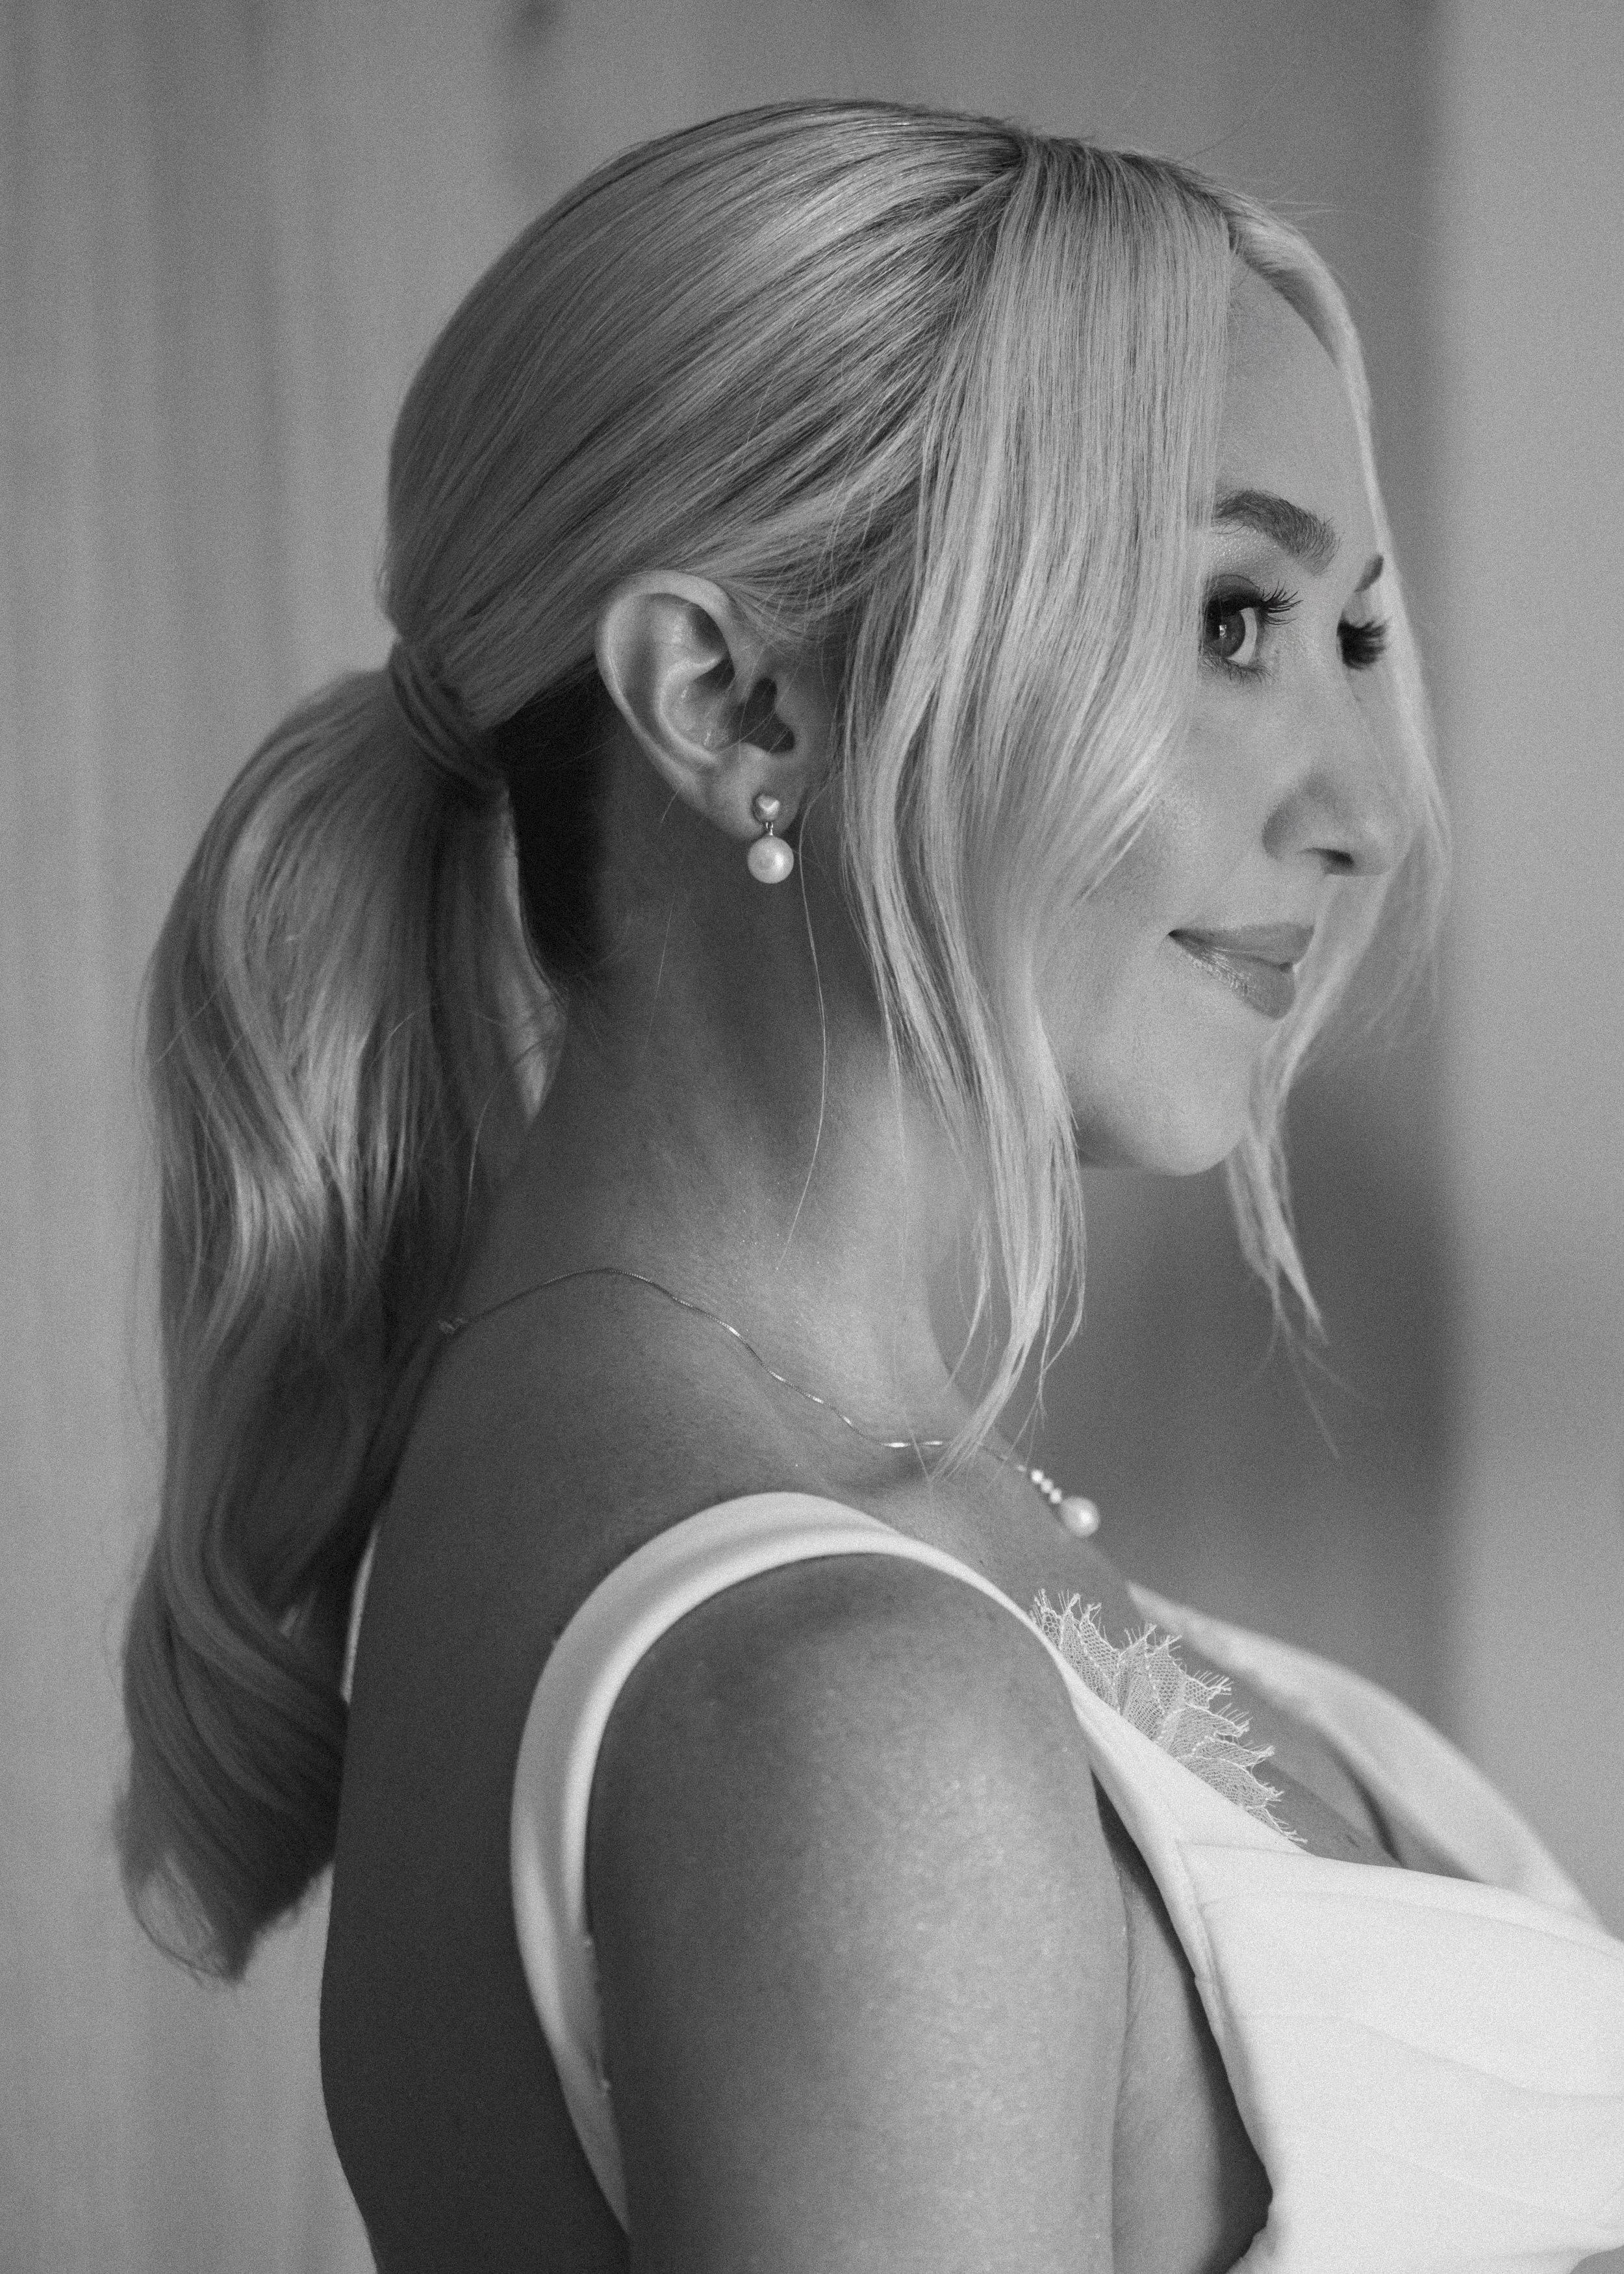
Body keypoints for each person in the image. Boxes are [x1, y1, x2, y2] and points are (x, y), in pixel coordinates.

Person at [118, 98, 1624, 2274]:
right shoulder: (844, 1715)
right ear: (738, 703)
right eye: (1231, 616)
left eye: (1357, 638)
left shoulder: (726, 1527)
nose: (1368, 812)